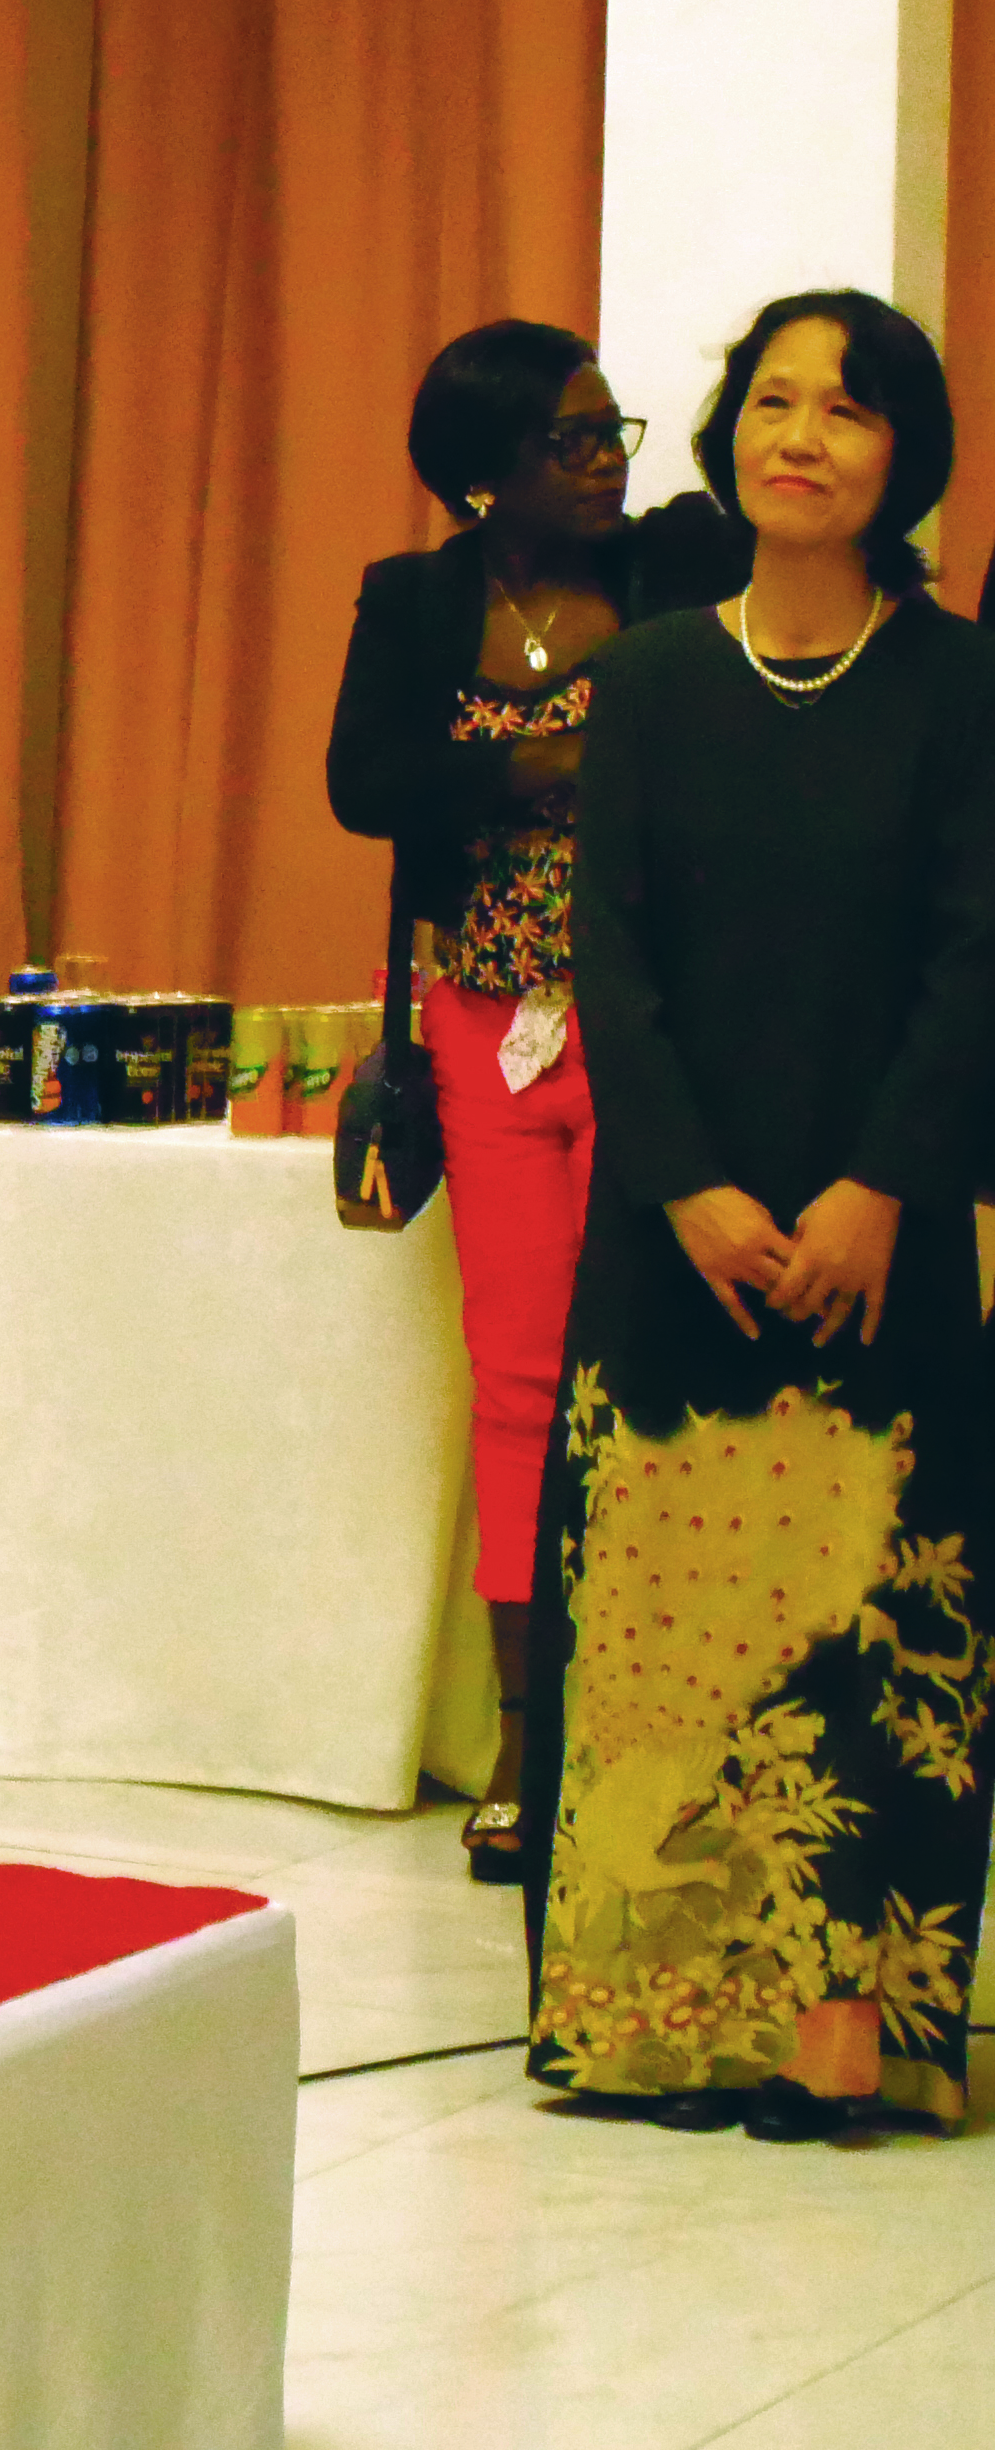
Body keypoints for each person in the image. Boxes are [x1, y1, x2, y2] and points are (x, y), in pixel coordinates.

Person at [536, 290, 995, 2137]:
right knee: (670, 1618)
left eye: (850, 409)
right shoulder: (647, 677)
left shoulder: (960, 681)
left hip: (885, 1213)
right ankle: (657, 2011)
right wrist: (694, 1191)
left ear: (907, 459)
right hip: (677, 1229)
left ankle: (844, 2022)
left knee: (867, 1616)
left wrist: (884, 1182)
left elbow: (978, 955)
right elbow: (611, 958)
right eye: (774, 401)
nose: (801, 434)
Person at [323, 322, 739, 1880]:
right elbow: (365, 785)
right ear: (483, 472)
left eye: (610, 428)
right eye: (570, 439)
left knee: (648, 1364)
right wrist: (542, 758)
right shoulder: (416, 599)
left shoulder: (676, 569)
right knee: (517, 1381)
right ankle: (524, 1733)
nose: (605, 458)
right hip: (479, 1024)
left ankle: (662, 1720)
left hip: (651, 1032)